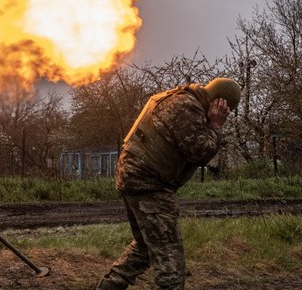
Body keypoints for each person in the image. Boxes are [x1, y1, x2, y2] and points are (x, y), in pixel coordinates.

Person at [97, 77, 241, 290]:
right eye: (226, 110)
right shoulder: (187, 107)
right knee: (171, 263)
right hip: (149, 184)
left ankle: (110, 286)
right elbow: (201, 153)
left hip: (136, 178)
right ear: (220, 103)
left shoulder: (179, 98)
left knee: (147, 245)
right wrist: (216, 126)